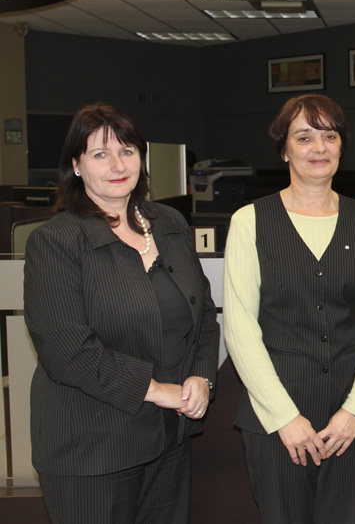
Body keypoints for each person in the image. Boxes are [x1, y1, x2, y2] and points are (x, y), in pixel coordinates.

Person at [24, 103, 220, 524]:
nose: (117, 165)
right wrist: (158, 390)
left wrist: (201, 378)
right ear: (76, 165)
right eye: (100, 154)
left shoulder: (169, 223)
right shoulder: (56, 241)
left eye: (127, 151)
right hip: (92, 447)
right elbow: (66, 351)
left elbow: (203, 315)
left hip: (169, 440)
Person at [223, 94, 355, 524]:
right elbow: (240, 328)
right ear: (284, 150)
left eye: (329, 136)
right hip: (274, 415)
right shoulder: (249, 221)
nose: (319, 147)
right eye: (304, 137)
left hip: (349, 416)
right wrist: (284, 417)